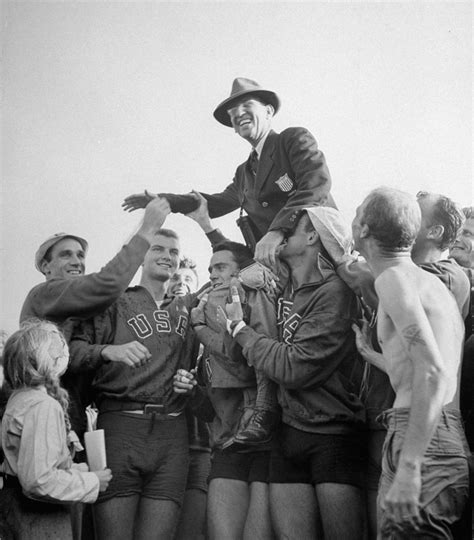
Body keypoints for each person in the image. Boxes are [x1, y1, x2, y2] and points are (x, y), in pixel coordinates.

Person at [215, 207, 367, 539]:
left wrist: (241, 330)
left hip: (332, 432)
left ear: (312, 236)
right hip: (287, 431)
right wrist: (239, 285)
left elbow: (295, 367)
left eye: (290, 229)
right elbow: (236, 356)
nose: (280, 234)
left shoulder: (335, 293)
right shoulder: (274, 287)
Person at [347, 190, 470, 538]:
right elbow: (429, 367)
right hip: (441, 434)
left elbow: (433, 372)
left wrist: (411, 465)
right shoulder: (430, 284)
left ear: (364, 228)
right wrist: (374, 355)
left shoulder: (393, 280)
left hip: (421, 440)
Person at [69, 228, 199, 540]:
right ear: (141, 256)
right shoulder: (113, 302)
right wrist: (107, 350)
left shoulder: (190, 308)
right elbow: (70, 351)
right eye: (158, 249)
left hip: (172, 431)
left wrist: (190, 382)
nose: (167, 256)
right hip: (120, 426)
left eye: (173, 251)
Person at [122, 77, 335, 267]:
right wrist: (164, 201)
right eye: (233, 113)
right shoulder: (244, 173)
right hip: (284, 268)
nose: (239, 113)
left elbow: (316, 184)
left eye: (246, 105)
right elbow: (213, 204)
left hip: (322, 257)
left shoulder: (290, 140)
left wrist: (277, 230)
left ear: (268, 111)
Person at [174, 240, 279, 540]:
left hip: (262, 441)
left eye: (220, 267)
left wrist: (200, 329)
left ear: (240, 272)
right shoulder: (209, 311)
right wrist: (193, 393)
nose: (212, 274)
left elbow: (240, 361)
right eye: (209, 269)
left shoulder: (251, 300)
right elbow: (212, 406)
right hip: (224, 442)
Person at [1, 320, 112, 540]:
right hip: (38, 518)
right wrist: (93, 482)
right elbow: (38, 480)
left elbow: (31, 461)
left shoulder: (20, 398)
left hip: (13, 507)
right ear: (47, 359)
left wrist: (75, 470)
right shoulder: (43, 405)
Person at [169, 259, 211, 540]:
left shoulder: (205, 329)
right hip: (164, 444)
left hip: (200, 444)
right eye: (174, 277)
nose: (179, 281)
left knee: (192, 528)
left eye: (187, 279)